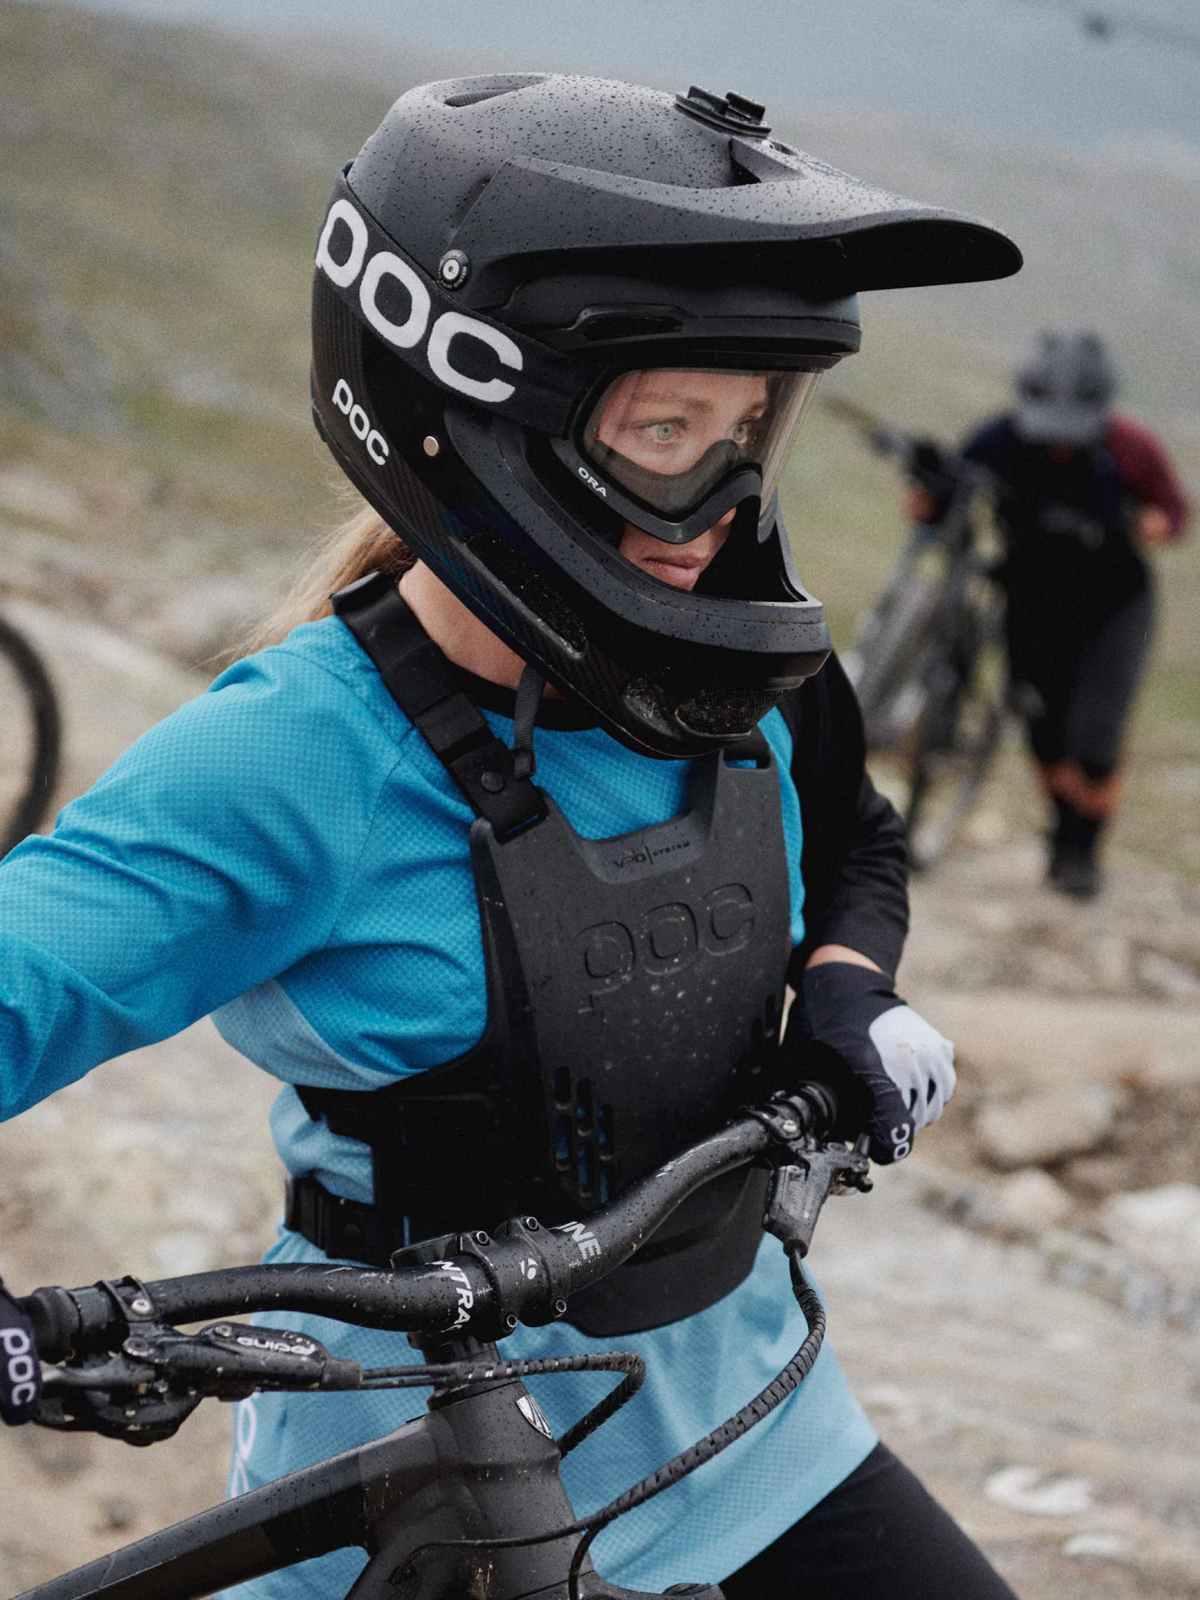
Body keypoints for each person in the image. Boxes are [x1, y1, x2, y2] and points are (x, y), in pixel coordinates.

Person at [0, 76, 1025, 1598]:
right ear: (483, 419)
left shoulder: (739, 672)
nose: (720, 502)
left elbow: (856, 834)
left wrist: (848, 985)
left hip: (756, 1424)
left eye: (750, 428)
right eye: (667, 430)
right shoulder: (302, 753)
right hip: (429, 1487)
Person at [912, 329, 1191, 897]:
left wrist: (1155, 524)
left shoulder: (1131, 448)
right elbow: (948, 491)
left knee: (1097, 738)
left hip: (1113, 608)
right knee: (1045, 729)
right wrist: (927, 497)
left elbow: (1174, 512)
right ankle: (1063, 832)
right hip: (1032, 601)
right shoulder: (1001, 438)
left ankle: (1085, 845)